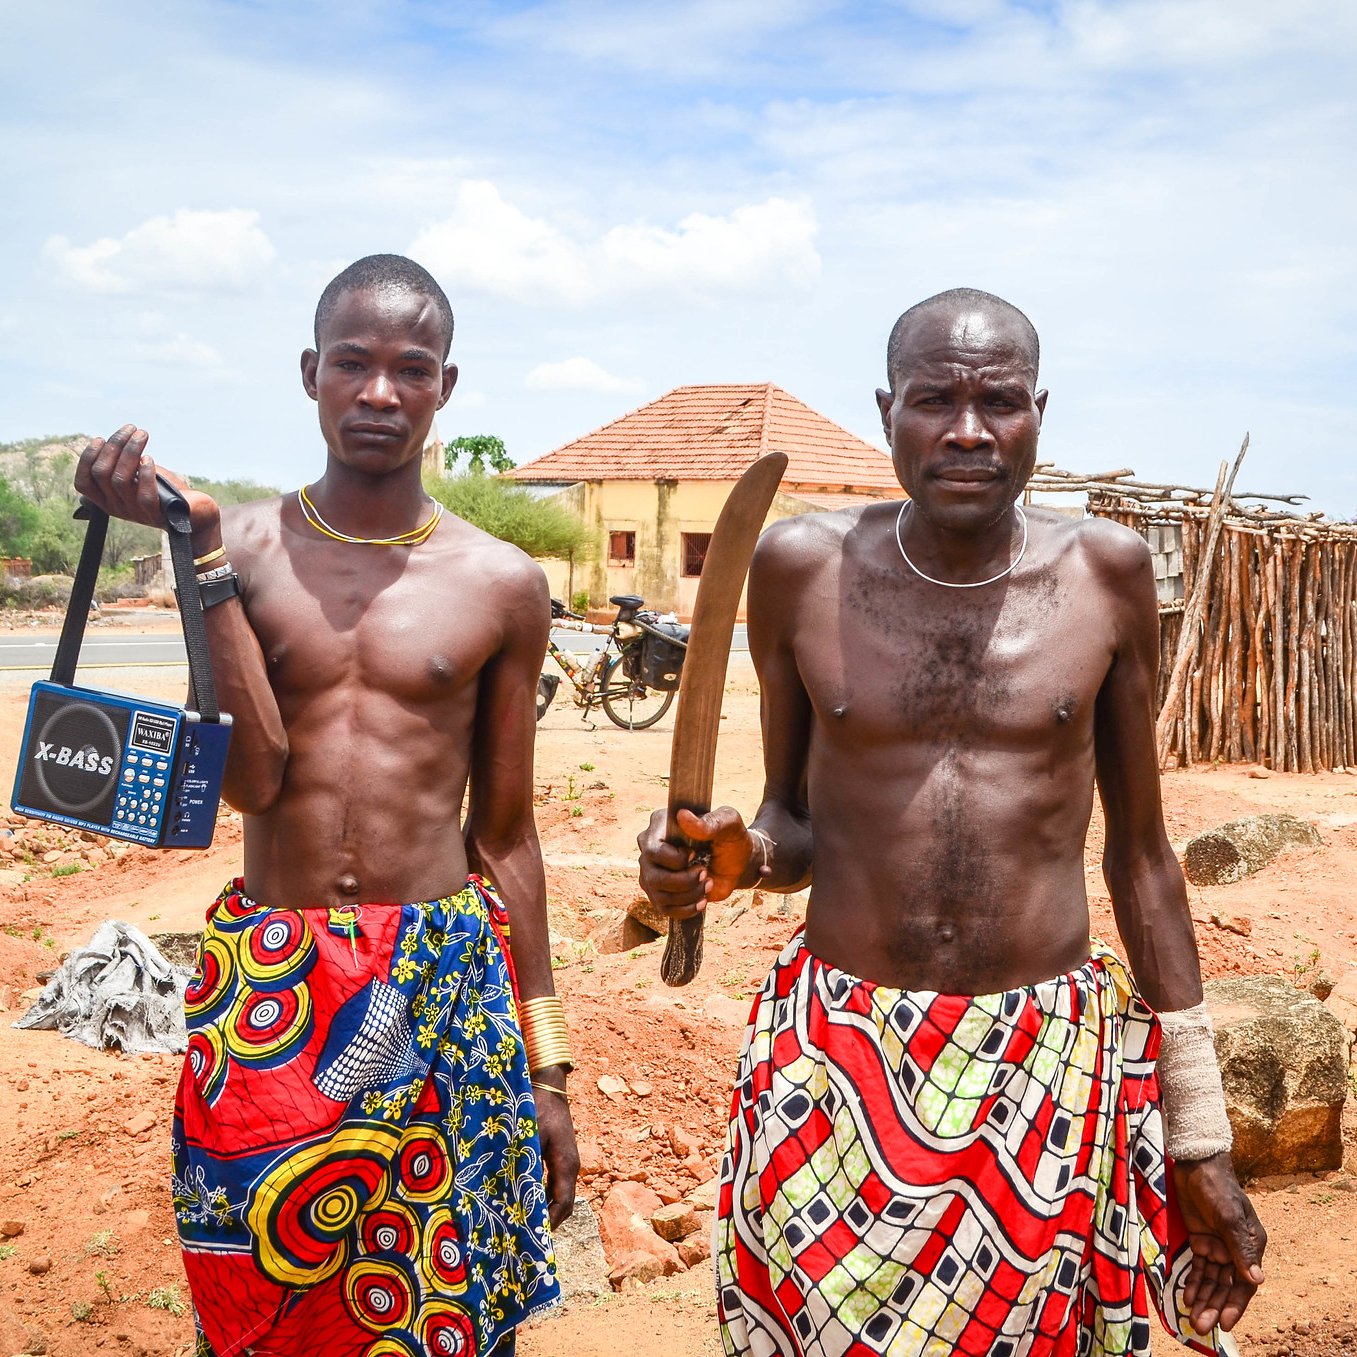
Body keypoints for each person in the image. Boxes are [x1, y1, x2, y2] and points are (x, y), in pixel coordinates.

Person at [638, 289, 1265, 1356]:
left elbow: (1144, 860)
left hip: (1043, 1065)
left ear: (1038, 412)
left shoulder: (1103, 573)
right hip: (836, 1063)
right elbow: (793, 824)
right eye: (935, 400)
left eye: (999, 403)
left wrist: (1197, 1131)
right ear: (888, 410)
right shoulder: (800, 569)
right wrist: (729, 858)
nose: (967, 430)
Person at [75, 254, 577, 1357]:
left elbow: (507, 834)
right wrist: (198, 555)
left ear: (448, 386)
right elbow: (253, 781)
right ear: (311, 372)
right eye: (353, 363)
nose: (380, 392)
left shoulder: (499, 580)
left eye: (412, 368)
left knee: (447, 1298)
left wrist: (547, 1069)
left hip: (441, 972)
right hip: (274, 976)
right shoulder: (238, 544)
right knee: (261, 1281)